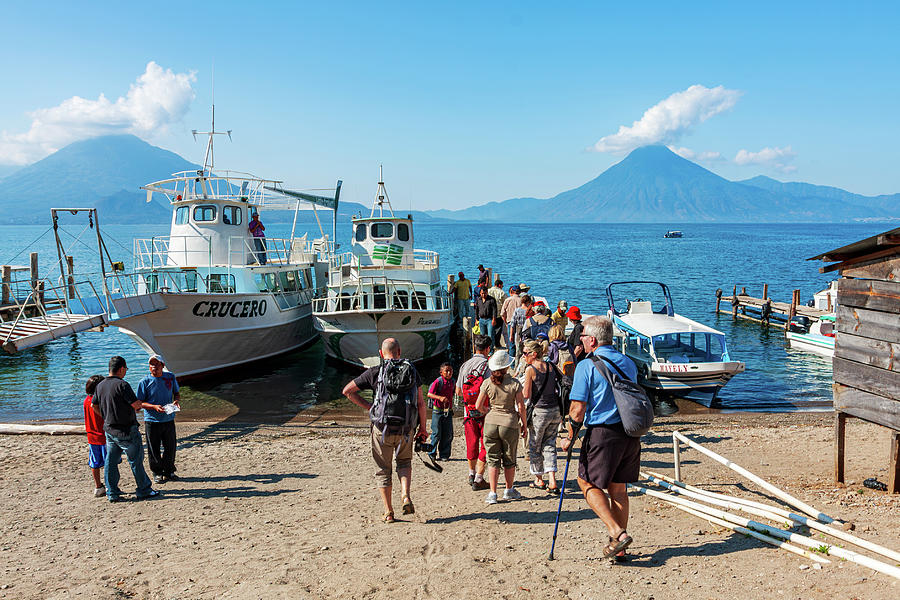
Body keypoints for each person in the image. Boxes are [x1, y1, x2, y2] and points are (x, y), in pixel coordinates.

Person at [561, 316, 640, 561]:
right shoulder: (628, 362)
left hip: (603, 433)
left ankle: (617, 531)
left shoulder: (587, 365)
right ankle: (619, 547)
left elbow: (577, 409)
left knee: (586, 483)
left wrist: (570, 437)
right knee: (618, 489)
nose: (580, 339)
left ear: (592, 340)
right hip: (629, 432)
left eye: (583, 335)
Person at [342, 338, 428, 523]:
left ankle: (388, 512)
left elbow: (347, 391)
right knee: (404, 462)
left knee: (383, 469)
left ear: (381, 353)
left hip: (382, 429)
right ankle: (405, 495)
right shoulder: (411, 371)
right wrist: (423, 428)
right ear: (399, 351)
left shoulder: (375, 372)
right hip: (406, 428)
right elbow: (420, 403)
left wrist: (369, 406)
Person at [91, 356, 159, 502]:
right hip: (127, 429)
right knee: (135, 460)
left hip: (109, 429)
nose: (126, 372)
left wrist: (105, 415)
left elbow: (93, 405)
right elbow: (136, 405)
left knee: (111, 460)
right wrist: (140, 405)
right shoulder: (122, 385)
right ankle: (144, 489)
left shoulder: (100, 385)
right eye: (126, 369)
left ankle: (112, 492)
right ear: (121, 369)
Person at [475, 349, 527, 504]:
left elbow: (478, 405)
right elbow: (521, 407)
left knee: (492, 459)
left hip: (491, 422)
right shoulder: (514, 384)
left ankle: (492, 493)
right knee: (509, 458)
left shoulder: (487, 383)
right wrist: (524, 424)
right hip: (509, 422)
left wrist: (487, 411)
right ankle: (508, 490)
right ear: (506, 366)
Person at [521, 340, 563, 494]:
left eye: (526, 353)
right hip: (555, 410)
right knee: (550, 445)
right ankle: (552, 480)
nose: (523, 356)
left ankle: (539, 479)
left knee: (535, 445)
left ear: (534, 354)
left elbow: (526, 394)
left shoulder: (530, 370)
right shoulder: (551, 366)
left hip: (539, 411)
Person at [136, 354, 180, 484]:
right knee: (153, 448)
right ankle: (157, 472)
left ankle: (169, 471)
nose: (154, 367)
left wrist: (176, 401)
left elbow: (176, 393)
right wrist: (153, 407)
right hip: (152, 420)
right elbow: (139, 403)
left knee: (170, 447)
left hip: (168, 418)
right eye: (152, 364)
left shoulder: (170, 377)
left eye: (157, 364)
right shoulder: (144, 382)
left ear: (163, 366)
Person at [457, 335, 492, 490]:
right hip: (485, 411)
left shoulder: (465, 365)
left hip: (468, 411)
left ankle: (471, 474)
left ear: (474, 348)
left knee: (471, 444)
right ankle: (479, 478)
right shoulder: (489, 365)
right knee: (485, 444)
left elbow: (458, 391)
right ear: (488, 349)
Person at [83, 374, 107, 498]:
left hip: (91, 435)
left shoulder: (86, 400)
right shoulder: (98, 402)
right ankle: (110, 485)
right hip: (103, 435)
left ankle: (98, 486)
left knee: (95, 462)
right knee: (109, 462)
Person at [426, 362, 454, 461]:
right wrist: (440, 398)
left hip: (448, 411)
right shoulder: (438, 381)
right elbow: (429, 394)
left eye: (451, 370)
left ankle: (444, 455)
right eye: (447, 371)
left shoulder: (452, 382)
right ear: (441, 372)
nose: (449, 372)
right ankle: (432, 453)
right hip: (437, 412)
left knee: (448, 433)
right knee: (436, 433)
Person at [500, 285, 521, 355]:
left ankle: (511, 362)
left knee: (511, 342)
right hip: (520, 323)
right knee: (519, 342)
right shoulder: (522, 300)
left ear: (512, 292)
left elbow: (502, 313)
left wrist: (505, 322)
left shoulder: (508, 300)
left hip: (510, 322)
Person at [511, 294, 534, 358]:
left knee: (518, 350)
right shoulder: (530, 311)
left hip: (518, 330)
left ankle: (516, 365)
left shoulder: (517, 310)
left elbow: (513, 324)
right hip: (527, 330)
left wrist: (511, 335)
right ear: (528, 302)